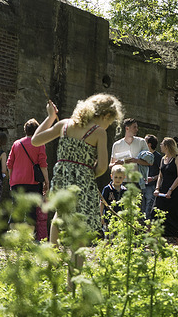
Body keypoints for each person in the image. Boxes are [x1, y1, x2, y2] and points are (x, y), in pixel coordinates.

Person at [31, 94, 123, 246]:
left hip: (62, 177)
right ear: (106, 115)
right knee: (80, 221)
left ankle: (53, 256)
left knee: (59, 214)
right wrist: (87, 173)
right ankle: (75, 266)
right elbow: (102, 167)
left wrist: (51, 117)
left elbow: (35, 140)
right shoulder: (99, 132)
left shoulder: (65, 125)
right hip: (83, 182)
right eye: (110, 121)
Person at [7, 118, 49, 235]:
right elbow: (43, 165)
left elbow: (9, 164)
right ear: (37, 130)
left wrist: (11, 179)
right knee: (31, 211)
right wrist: (46, 181)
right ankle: (28, 239)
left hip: (17, 181)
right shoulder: (39, 144)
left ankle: (13, 237)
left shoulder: (16, 144)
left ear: (25, 130)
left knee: (15, 209)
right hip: (33, 182)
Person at [154, 137, 178, 239]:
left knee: (173, 215)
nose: (160, 146)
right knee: (156, 213)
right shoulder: (163, 159)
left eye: (162, 144)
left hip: (174, 191)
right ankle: (159, 238)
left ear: (167, 146)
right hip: (163, 190)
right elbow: (160, 175)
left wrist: (170, 190)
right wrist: (157, 188)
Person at [142, 134, 162, 219]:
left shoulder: (158, 157)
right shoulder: (142, 155)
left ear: (149, 144)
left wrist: (153, 178)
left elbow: (162, 173)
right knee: (141, 208)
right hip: (142, 185)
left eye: (145, 141)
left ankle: (148, 228)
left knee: (149, 208)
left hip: (151, 186)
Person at [101, 164, 128, 230]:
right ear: (111, 176)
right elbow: (102, 203)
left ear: (124, 177)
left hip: (121, 218)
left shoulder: (124, 190)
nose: (117, 180)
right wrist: (101, 216)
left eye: (120, 177)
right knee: (109, 236)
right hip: (109, 218)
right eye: (115, 177)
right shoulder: (107, 189)